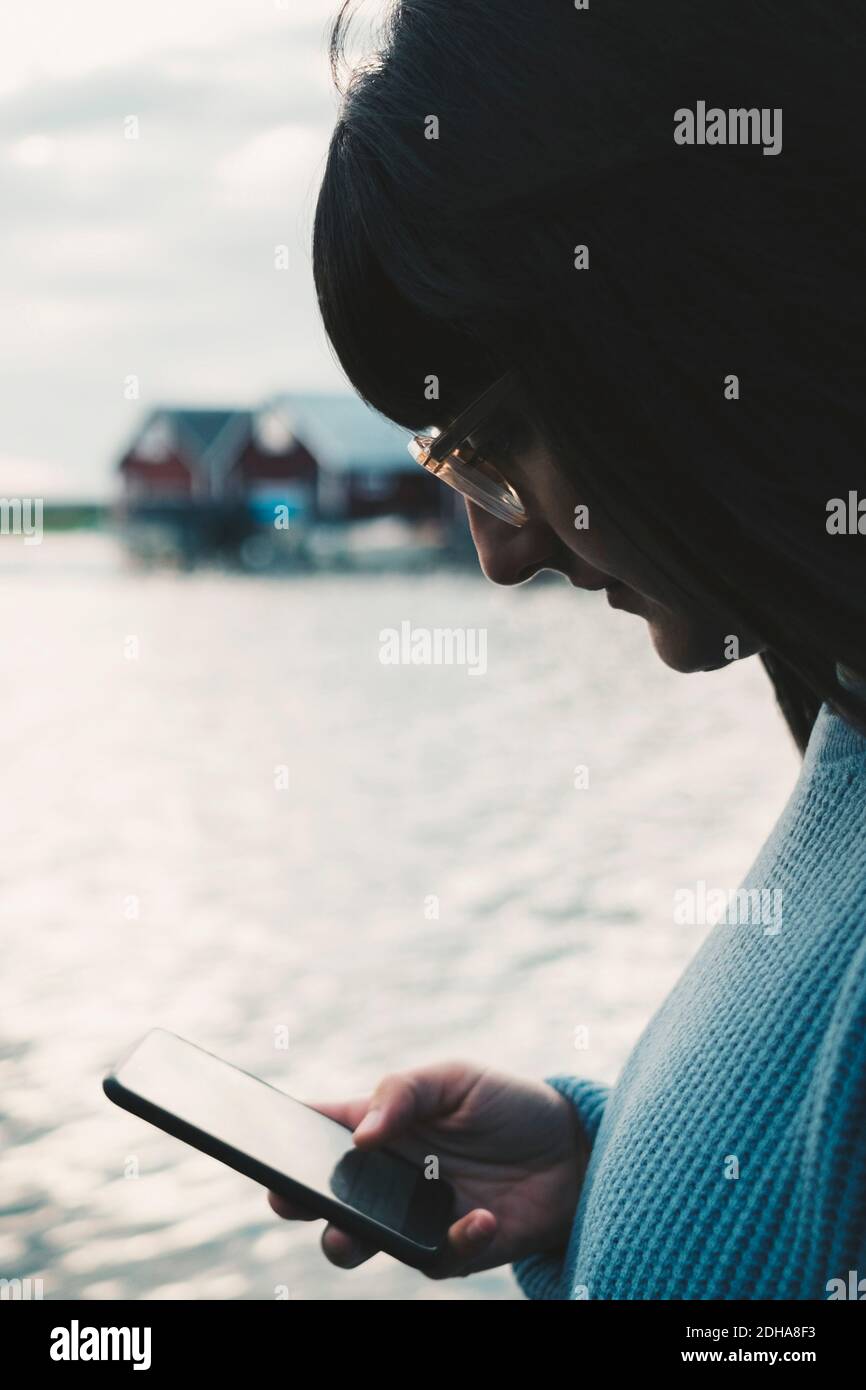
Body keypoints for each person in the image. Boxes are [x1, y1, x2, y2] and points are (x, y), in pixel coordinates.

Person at [270, 0, 866, 1297]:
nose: (499, 551)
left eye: (483, 448)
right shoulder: (845, 722)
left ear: (681, 340)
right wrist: (611, 1169)